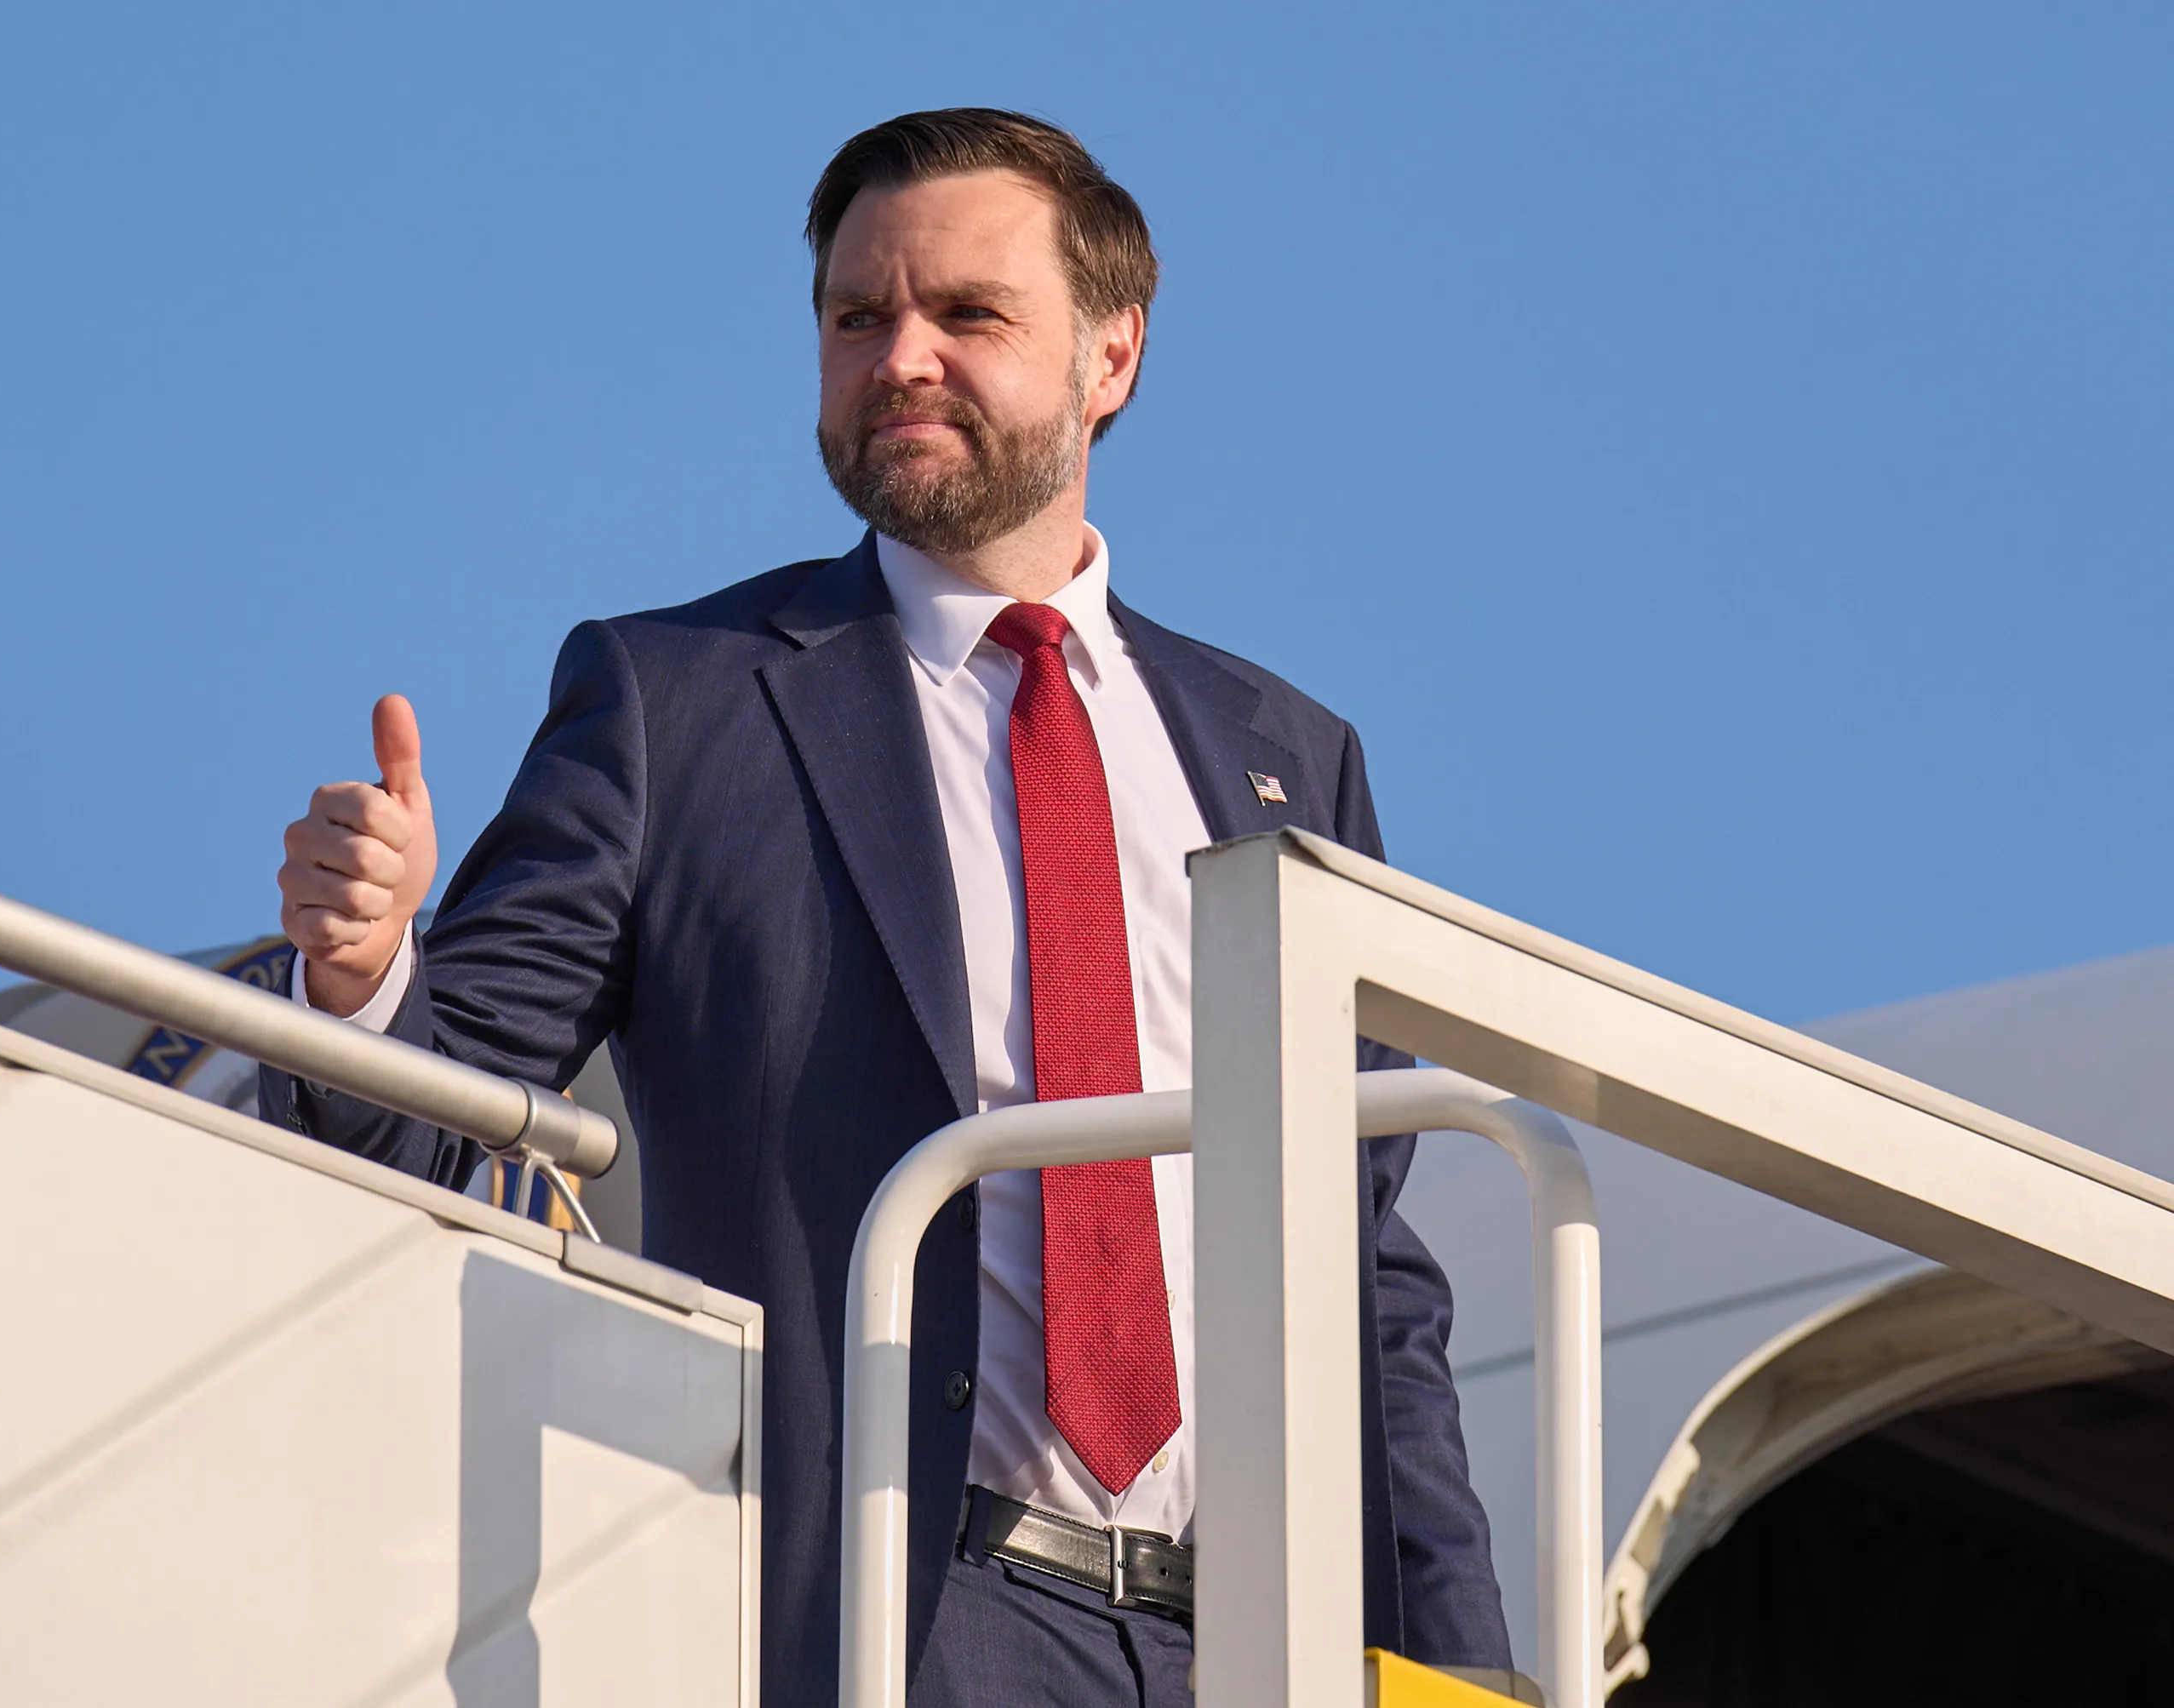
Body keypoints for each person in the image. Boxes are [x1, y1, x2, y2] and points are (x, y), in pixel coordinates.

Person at [263, 108, 1508, 1708]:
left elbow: (1372, 1276)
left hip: (1270, 1648)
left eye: (967, 314)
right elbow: (435, 1122)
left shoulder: (1287, 758)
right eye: (859, 317)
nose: (901, 356)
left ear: (1110, 359)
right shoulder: (676, 703)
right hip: (897, 1623)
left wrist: (1465, 1675)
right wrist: (365, 976)